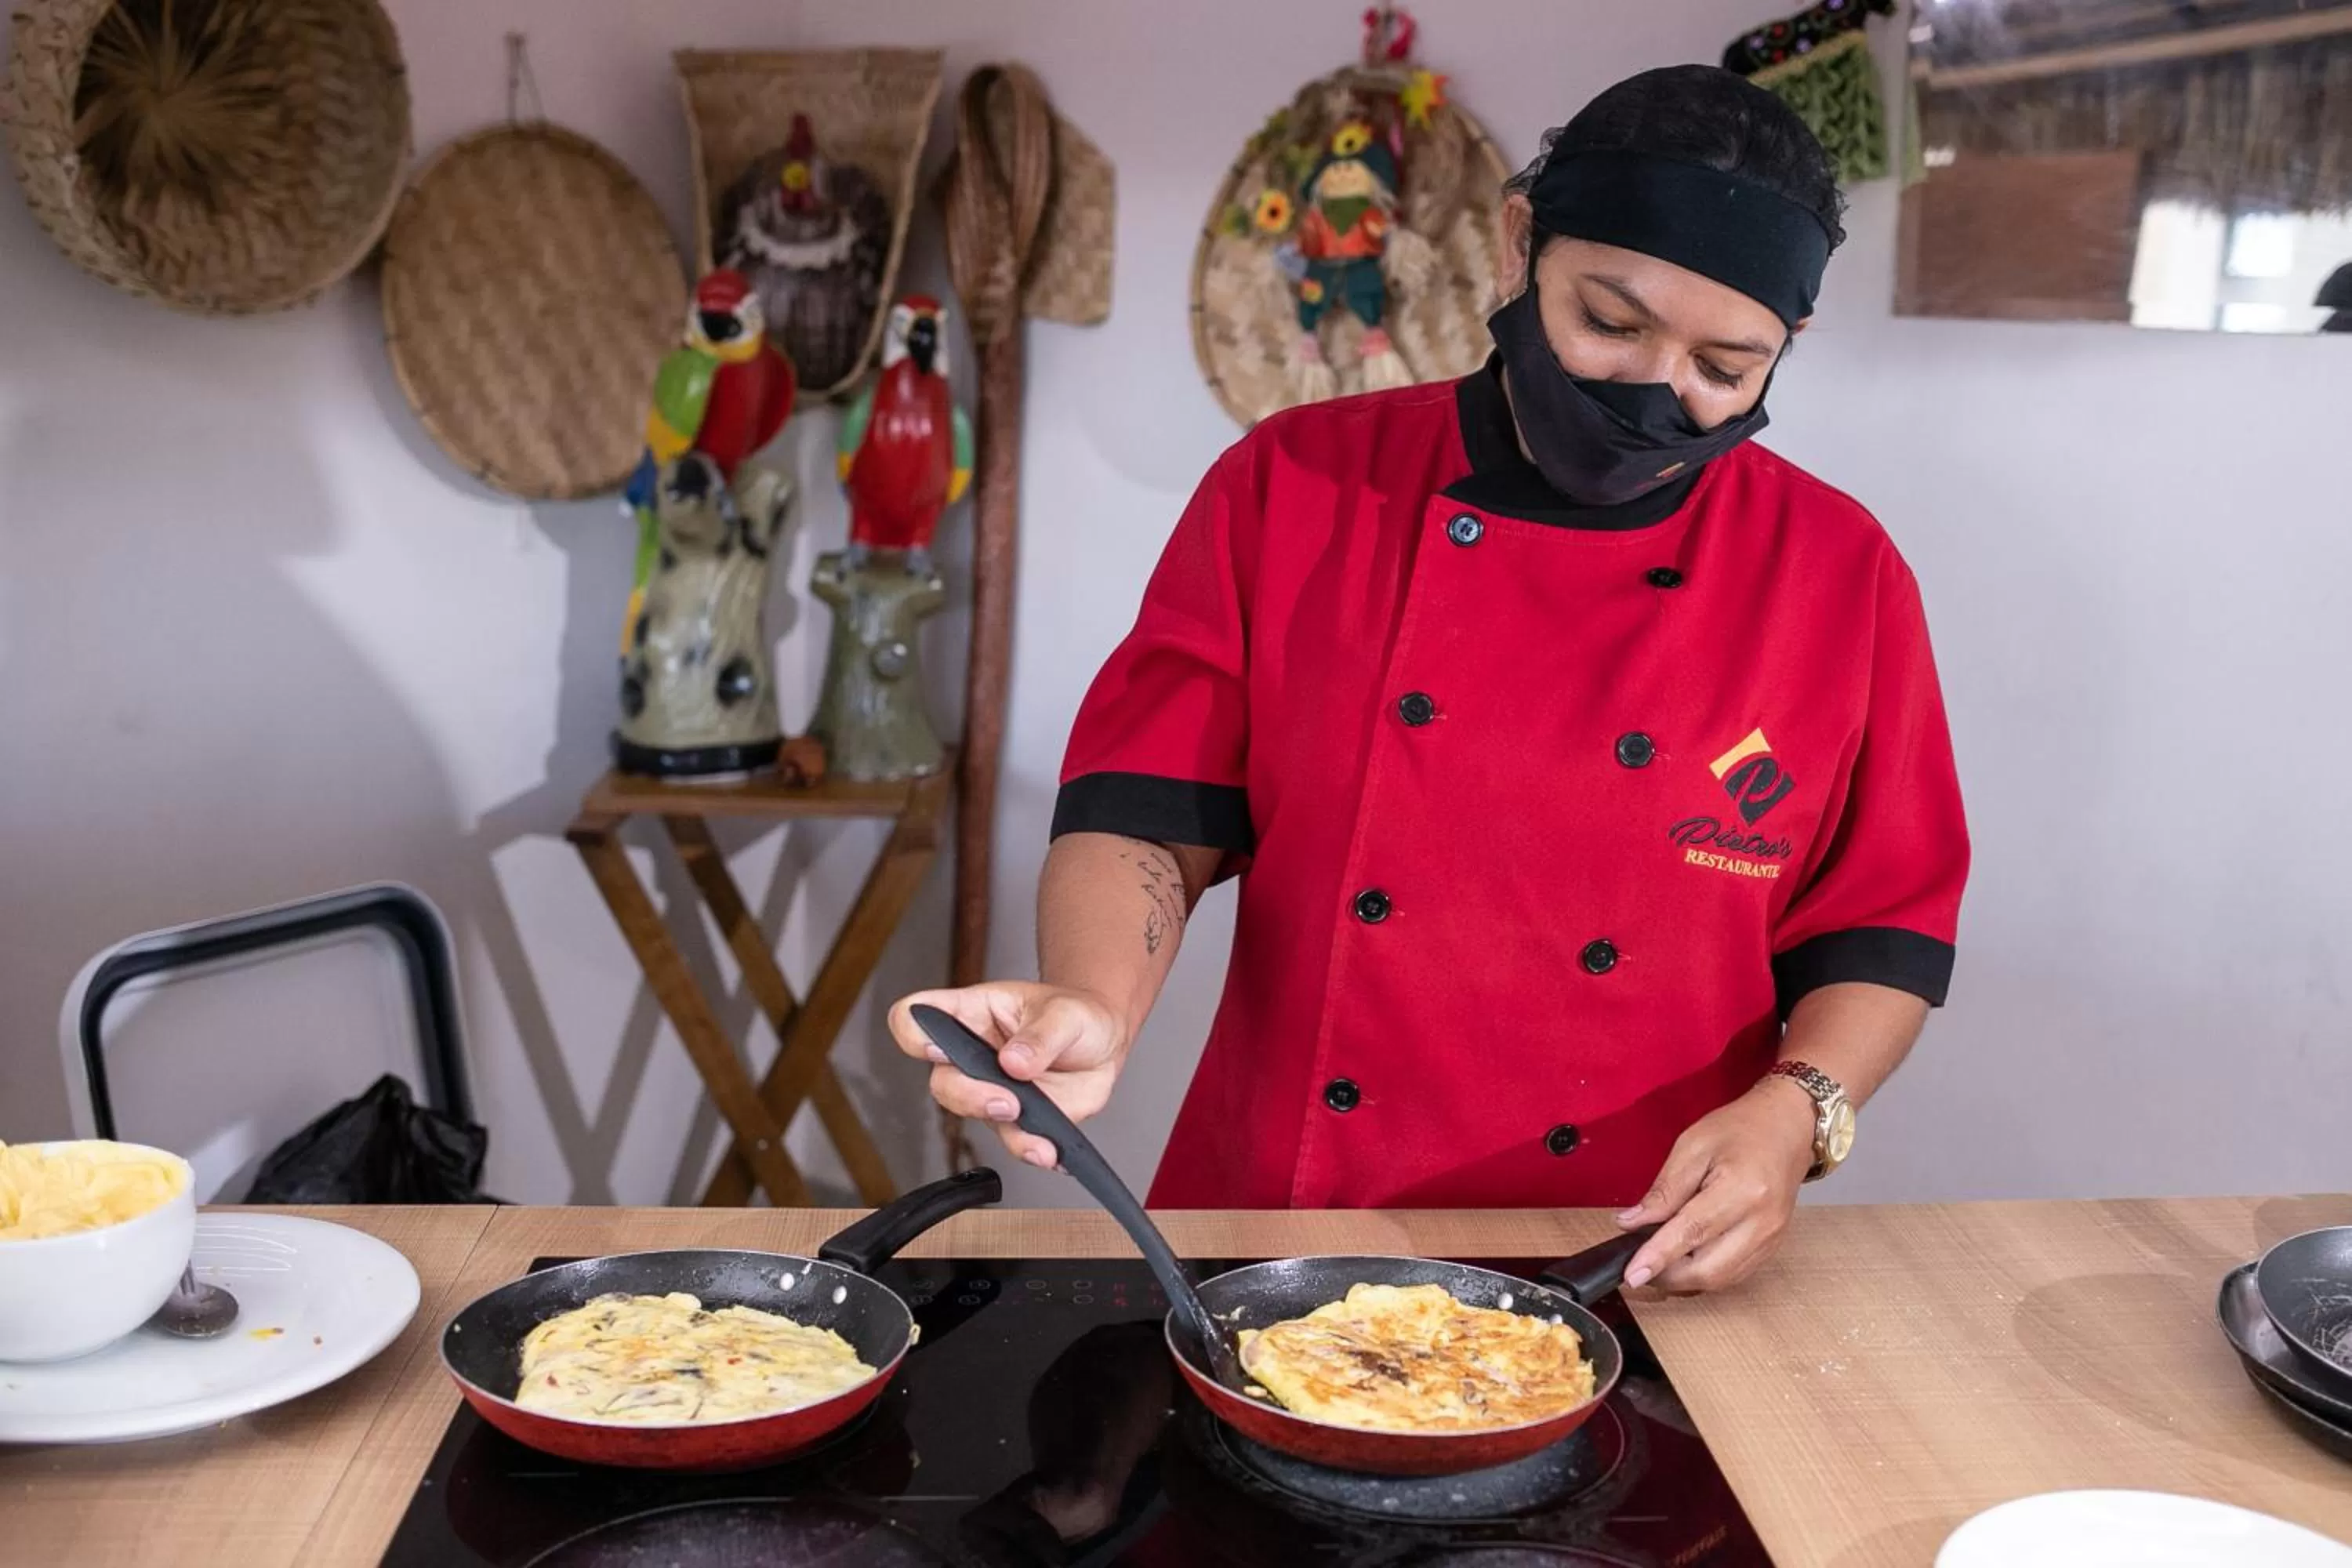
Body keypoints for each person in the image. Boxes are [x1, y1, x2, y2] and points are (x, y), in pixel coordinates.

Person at [891, 65, 1969, 1295]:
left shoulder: (1838, 574)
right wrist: (1092, 1001)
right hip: (1285, 1231)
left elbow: (1881, 926)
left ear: (1788, 347)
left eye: (1725, 367)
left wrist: (1799, 1112)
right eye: (1611, 323)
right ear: (1519, 245)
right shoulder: (1296, 484)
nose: (1653, 393)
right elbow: (1148, 808)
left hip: (1637, 1250)